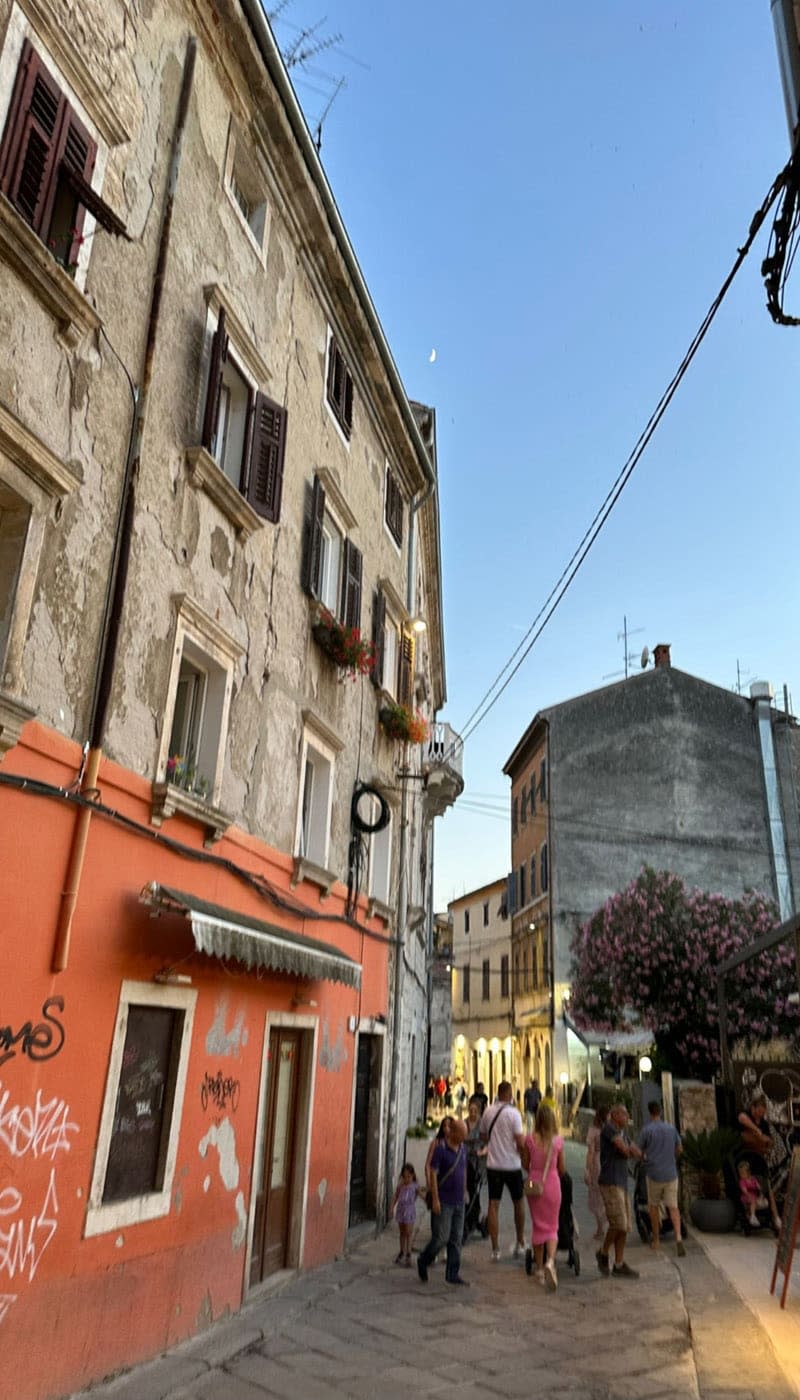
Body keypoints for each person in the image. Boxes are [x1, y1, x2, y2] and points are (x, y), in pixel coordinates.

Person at [417, 1118, 469, 1286]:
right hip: (444, 1201)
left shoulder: (462, 1149)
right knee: (441, 1238)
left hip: (459, 1200)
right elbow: (433, 1172)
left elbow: (464, 1170)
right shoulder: (441, 1149)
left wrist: (465, 1190)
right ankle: (423, 1259)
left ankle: (452, 1273)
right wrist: (436, 1199)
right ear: (453, 1133)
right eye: (462, 1135)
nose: (464, 1138)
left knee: (456, 1238)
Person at [481, 1080, 526, 1260]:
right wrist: (525, 1159)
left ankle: (495, 1249)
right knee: (518, 1202)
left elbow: (483, 1135)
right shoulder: (514, 1114)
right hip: (512, 1165)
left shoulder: (488, 1111)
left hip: (493, 1165)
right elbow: (520, 1140)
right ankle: (520, 1242)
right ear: (509, 1094)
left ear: (498, 1093)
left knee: (493, 1204)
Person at [597, 1102, 642, 1279]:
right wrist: (630, 1151)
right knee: (619, 1223)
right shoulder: (609, 1129)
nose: (627, 1117)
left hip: (622, 1182)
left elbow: (634, 1150)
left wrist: (634, 1152)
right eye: (623, 1114)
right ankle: (602, 1252)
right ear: (615, 1115)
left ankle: (619, 1263)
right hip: (610, 1182)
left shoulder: (623, 1133)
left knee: (625, 1227)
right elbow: (624, 1149)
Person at [522, 1102, 565, 1289]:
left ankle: (539, 1269)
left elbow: (525, 1164)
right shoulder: (558, 1142)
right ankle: (550, 1262)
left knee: (538, 1226)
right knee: (552, 1227)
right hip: (552, 1184)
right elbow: (562, 1168)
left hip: (534, 1185)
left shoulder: (530, 1140)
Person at [637, 1100, 685, 1257]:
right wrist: (672, 1157)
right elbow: (679, 1148)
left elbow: (640, 1151)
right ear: (661, 1111)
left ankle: (656, 1239)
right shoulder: (671, 1129)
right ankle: (678, 1238)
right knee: (673, 1207)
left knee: (653, 1206)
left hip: (654, 1174)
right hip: (671, 1173)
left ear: (650, 1112)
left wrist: (645, 1158)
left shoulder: (647, 1130)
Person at [738, 1093, 781, 1230]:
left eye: (763, 1113)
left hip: (760, 1160)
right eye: (758, 1112)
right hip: (747, 1160)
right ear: (753, 1108)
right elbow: (742, 1119)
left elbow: (768, 1141)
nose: (760, 1116)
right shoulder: (746, 1116)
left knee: (767, 1188)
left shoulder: (764, 1123)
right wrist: (757, 1131)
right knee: (748, 1187)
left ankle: (776, 1217)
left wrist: (760, 1138)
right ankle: (751, 1215)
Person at [463, 1094, 488, 1240]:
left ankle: (474, 1217)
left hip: (478, 1163)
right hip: (465, 1162)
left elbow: (487, 1143)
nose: (472, 1113)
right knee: (468, 1190)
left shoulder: (482, 1126)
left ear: (478, 1111)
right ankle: (468, 1217)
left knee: (475, 1191)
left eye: (475, 1111)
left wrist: (483, 1151)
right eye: (470, 1110)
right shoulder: (464, 1124)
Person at [390, 1163, 425, 1266]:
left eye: (409, 1176)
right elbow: (395, 1197)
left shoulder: (415, 1186)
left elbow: (421, 1195)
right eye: (404, 1177)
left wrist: (429, 1203)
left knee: (409, 1232)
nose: (406, 1179)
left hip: (409, 1211)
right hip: (401, 1210)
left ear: (413, 1175)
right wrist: (391, 1208)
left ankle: (408, 1253)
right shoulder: (400, 1186)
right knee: (402, 1232)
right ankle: (402, 1251)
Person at [584, 1104, 609, 1241]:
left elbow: (591, 1152)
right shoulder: (610, 1130)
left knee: (597, 1196)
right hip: (608, 1162)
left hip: (598, 1163)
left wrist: (587, 1169)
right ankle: (607, 1224)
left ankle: (600, 1228)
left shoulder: (593, 1131)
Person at [738, 1159, 769, 1226]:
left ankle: (752, 1214)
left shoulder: (753, 1179)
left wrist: (760, 1191)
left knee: (761, 1198)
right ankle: (752, 1216)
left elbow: (759, 1187)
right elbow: (744, 1190)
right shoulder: (742, 1181)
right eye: (740, 1173)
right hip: (746, 1196)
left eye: (743, 1173)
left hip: (755, 1196)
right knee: (753, 1200)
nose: (741, 1175)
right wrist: (748, 1195)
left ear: (748, 1172)